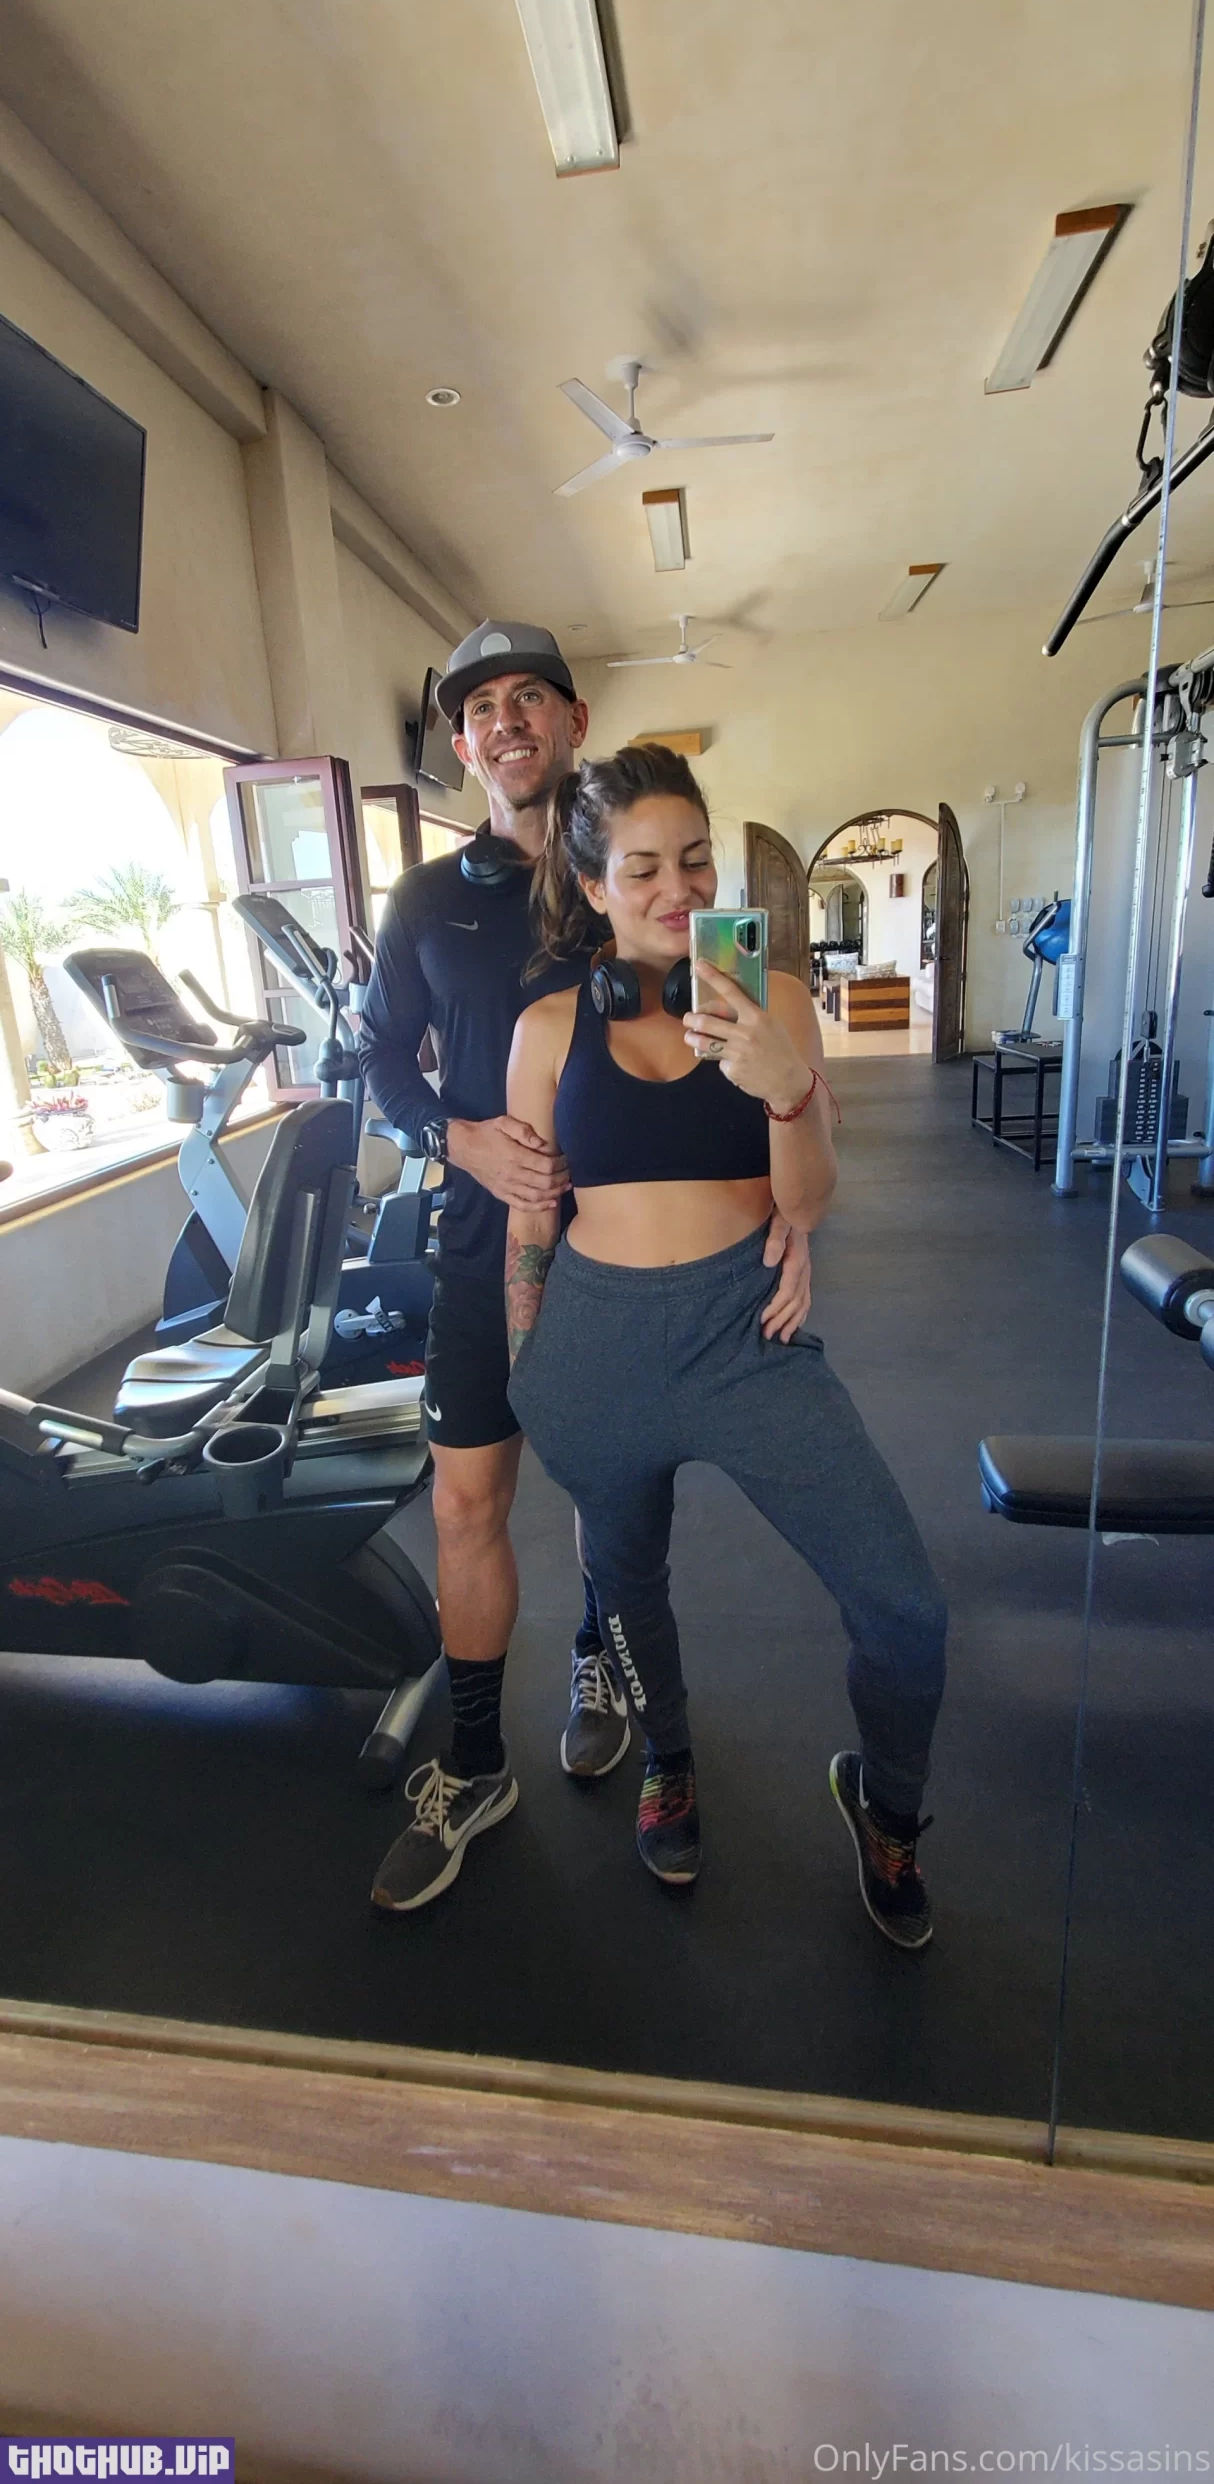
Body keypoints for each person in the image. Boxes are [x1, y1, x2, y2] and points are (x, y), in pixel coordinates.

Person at [358, 625, 811, 1913]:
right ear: (461, 745)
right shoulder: (425, 901)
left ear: (573, 720)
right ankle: (475, 1762)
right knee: (464, 1505)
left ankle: (602, 1656)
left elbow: (746, 1052)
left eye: (529, 698)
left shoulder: (637, 883)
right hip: (478, 1242)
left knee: (605, 1491)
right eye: (480, 709)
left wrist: (793, 1205)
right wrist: (451, 1136)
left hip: (623, 1252)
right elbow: (379, 1055)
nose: (505, 721)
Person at [503, 745, 948, 1950]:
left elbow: (805, 1202)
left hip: (747, 1332)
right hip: (594, 1341)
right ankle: (668, 1756)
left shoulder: (776, 1001)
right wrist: (529, 1364)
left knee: (904, 1609)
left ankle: (887, 1808)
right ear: (592, 886)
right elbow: (531, 1216)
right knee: (626, 1585)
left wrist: (783, 1086)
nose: (677, 888)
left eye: (694, 859)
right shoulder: (546, 1029)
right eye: (642, 867)